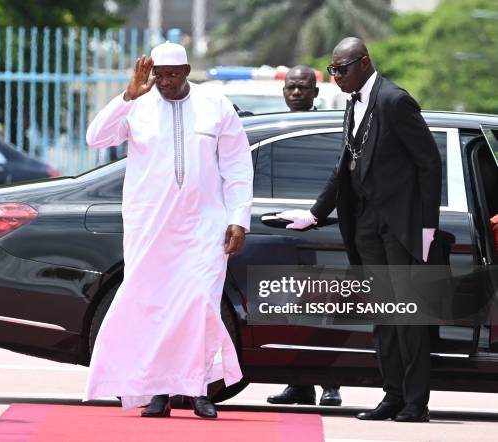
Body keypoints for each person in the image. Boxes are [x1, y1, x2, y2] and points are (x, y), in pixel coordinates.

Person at [83, 41, 253, 419]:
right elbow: (96, 137)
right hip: (150, 225)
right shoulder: (138, 105)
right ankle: (157, 390)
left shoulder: (215, 105)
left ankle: (198, 389)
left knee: (199, 306)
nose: (164, 82)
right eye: (159, 75)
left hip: (204, 226)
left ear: (188, 70)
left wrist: (238, 217)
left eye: (172, 75)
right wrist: (126, 96)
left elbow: (237, 165)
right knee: (155, 308)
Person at [280, 37, 441, 422]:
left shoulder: (394, 100)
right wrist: (316, 213)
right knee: (383, 316)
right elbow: (344, 168)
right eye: (333, 70)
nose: (336, 77)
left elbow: (430, 164)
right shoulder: (353, 103)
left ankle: (416, 402)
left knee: (406, 315)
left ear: (365, 63)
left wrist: (427, 226)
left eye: (342, 69)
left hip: (400, 226)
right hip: (366, 224)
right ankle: (392, 396)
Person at [267, 65, 342, 408]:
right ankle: (298, 385)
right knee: (290, 308)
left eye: (302, 88)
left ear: (315, 92)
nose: (295, 93)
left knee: (326, 307)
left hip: (321, 227)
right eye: (291, 88)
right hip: (284, 231)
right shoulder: (277, 127)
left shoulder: (327, 127)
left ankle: (330, 384)